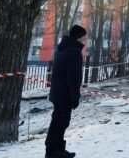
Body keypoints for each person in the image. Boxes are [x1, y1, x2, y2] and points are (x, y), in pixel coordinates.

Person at [45, 25, 87, 158]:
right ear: (78, 37)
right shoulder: (74, 51)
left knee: (60, 122)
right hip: (64, 95)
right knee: (60, 123)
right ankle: (52, 152)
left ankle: (58, 150)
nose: (85, 40)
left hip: (58, 93)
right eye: (84, 37)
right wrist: (75, 97)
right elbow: (73, 78)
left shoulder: (63, 48)